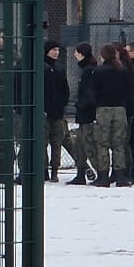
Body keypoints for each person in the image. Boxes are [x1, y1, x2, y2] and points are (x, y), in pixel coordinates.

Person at [91, 43, 134, 186]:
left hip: (103, 109)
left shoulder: (98, 71)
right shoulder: (123, 71)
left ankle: (103, 175)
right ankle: (120, 175)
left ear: (103, 55)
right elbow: (129, 91)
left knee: (102, 143)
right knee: (119, 144)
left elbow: (93, 92)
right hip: (120, 109)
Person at [68, 44, 99, 185]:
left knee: (88, 144)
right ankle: (80, 174)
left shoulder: (89, 71)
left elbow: (89, 93)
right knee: (80, 145)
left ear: (82, 54)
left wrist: (82, 105)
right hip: (83, 113)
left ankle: (101, 172)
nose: (74, 55)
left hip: (87, 114)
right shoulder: (86, 69)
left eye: (76, 52)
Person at [42, 42, 70, 182]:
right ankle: (44, 170)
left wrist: (62, 104)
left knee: (57, 143)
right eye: (53, 49)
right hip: (44, 112)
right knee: (43, 143)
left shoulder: (59, 68)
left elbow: (65, 90)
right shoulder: (41, 68)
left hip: (57, 113)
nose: (56, 52)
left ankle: (54, 170)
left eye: (58, 50)